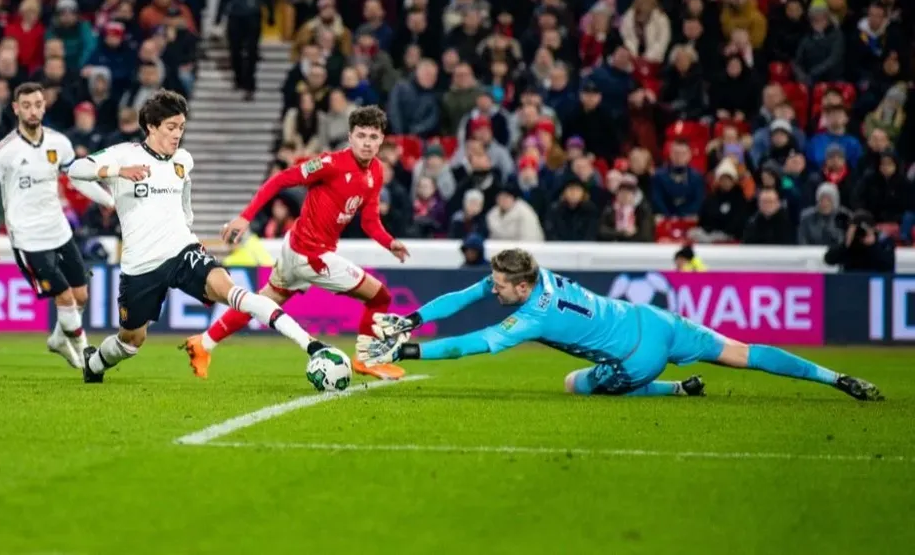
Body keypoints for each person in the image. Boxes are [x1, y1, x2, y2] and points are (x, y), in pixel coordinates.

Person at [358, 249, 882, 400]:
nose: (491, 290)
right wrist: (412, 319)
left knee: (573, 383)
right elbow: (465, 295)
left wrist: (406, 350)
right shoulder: (537, 276)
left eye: (499, 286)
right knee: (742, 352)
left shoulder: (529, 318)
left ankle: (672, 390)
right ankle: (834, 378)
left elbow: (473, 344)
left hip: (637, 360)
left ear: (520, 287)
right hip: (657, 321)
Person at [68, 90, 330, 383]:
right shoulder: (125, 154)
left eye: (181, 127)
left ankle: (312, 346)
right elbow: (76, 170)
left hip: (183, 250)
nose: (177, 134)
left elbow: (185, 192)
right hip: (141, 264)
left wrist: (187, 221)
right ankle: (94, 364)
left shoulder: (183, 159)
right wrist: (116, 177)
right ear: (151, 126)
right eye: (171, 127)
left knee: (234, 293)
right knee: (131, 342)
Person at [201, 106, 411, 381]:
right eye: (361, 136)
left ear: (382, 139)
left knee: (262, 302)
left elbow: (369, 221)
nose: (367, 143)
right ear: (350, 137)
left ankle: (204, 343)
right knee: (380, 296)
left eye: (373, 137)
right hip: (312, 256)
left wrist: (389, 242)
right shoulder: (330, 163)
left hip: (295, 248)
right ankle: (366, 359)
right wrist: (245, 217)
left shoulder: (376, 172)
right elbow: (280, 180)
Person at [0, 83, 117, 370]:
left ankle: (58, 340)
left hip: (59, 230)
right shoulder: (4, 151)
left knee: (80, 296)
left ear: (44, 106)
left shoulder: (59, 143)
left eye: (37, 104)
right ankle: (87, 357)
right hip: (28, 238)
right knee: (64, 297)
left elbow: (76, 178)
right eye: (26, 105)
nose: (33, 110)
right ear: (16, 109)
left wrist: (108, 200)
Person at [824, 210, 895, 273]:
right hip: (849, 278)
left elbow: (888, 265)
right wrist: (846, 244)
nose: (860, 231)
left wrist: (873, 245)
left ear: (873, 228)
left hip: (873, 278)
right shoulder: (848, 240)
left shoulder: (883, 240)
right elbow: (829, 260)